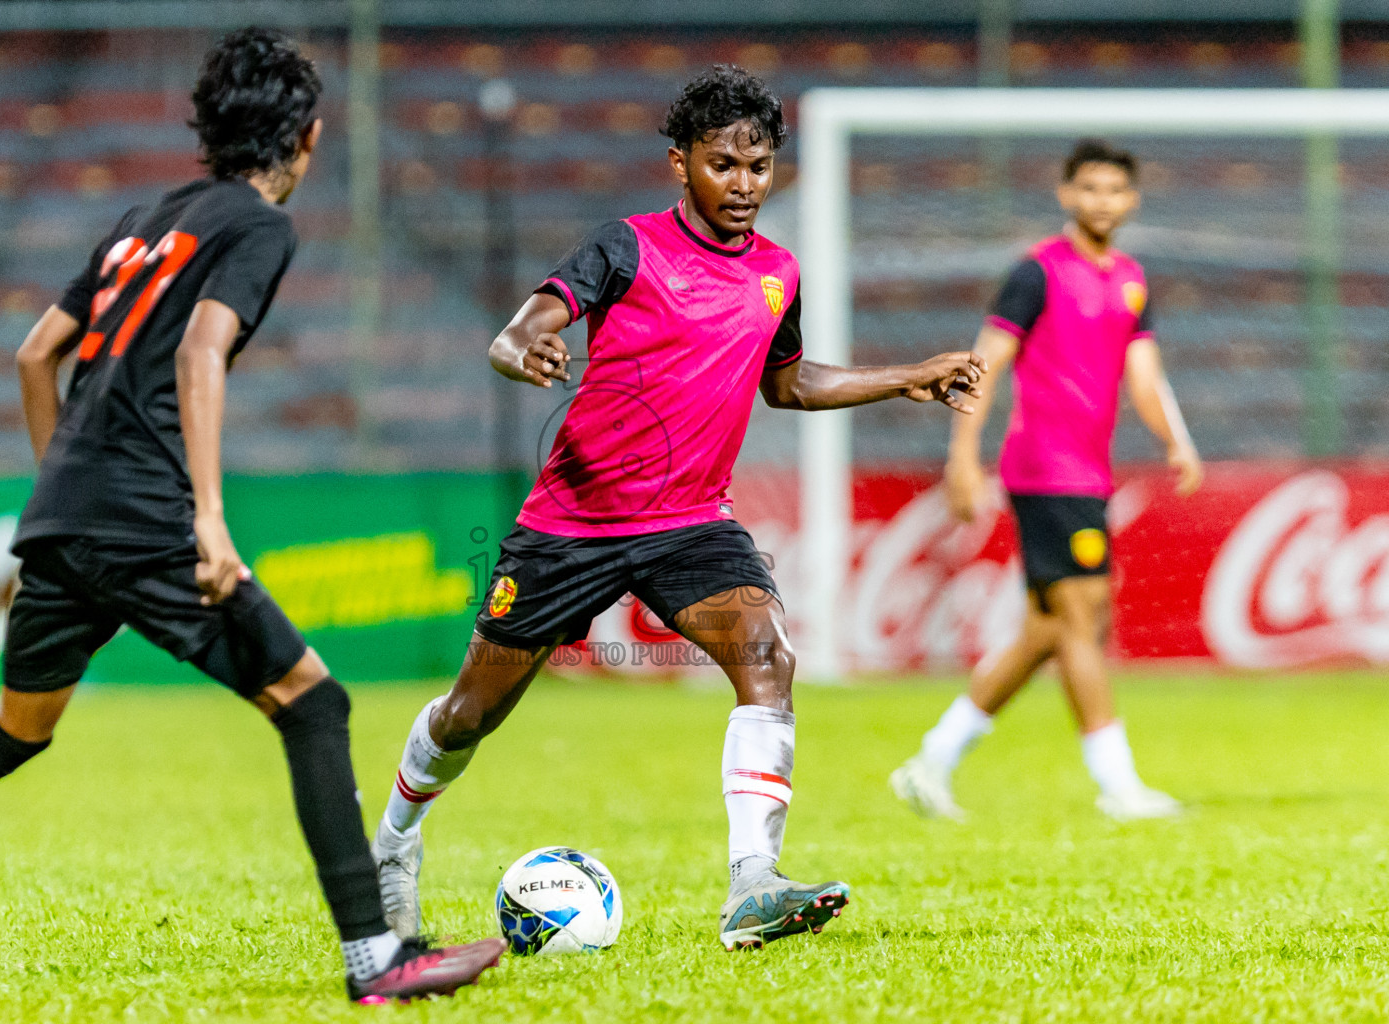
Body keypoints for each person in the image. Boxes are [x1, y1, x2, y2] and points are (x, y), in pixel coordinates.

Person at [0, 28, 504, 1006]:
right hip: (146, 514)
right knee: (315, 705)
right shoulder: (258, 227)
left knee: (15, 728)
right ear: (310, 138)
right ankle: (378, 957)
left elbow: (36, 354)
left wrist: (58, 495)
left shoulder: (143, 218)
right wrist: (208, 520)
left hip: (65, 514)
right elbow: (202, 353)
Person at [366, 64, 988, 952]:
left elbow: (787, 383)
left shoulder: (779, 272)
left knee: (766, 655)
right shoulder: (623, 247)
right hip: (571, 527)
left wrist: (907, 375)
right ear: (679, 163)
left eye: (760, 166)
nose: (744, 186)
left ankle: (752, 884)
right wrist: (524, 353)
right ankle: (393, 842)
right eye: (723, 164)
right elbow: (523, 328)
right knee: (473, 712)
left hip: (691, 523)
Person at [890, 138, 1204, 824]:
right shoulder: (1036, 273)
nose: (1101, 201)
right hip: (1044, 469)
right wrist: (963, 457)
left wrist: (1175, 439)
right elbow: (984, 365)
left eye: (1114, 190)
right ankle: (1117, 784)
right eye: (1088, 189)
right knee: (1083, 620)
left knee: (1048, 629)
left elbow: (1144, 375)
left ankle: (932, 761)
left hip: (1090, 474)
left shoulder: (1130, 279)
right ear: (1066, 195)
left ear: (1132, 200)